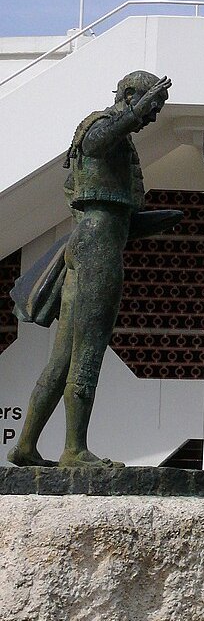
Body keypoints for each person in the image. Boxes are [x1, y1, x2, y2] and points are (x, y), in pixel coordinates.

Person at [7, 71, 172, 468]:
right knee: (87, 351)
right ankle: (74, 450)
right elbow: (100, 141)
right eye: (152, 107)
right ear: (130, 96)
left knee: (62, 358)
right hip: (97, 249)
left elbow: (113, 210)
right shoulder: (100, 127)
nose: (153, 117)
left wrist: (159, 220)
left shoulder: (113, 136)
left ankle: (26, 446)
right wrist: (134, 112)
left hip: (96, 239)